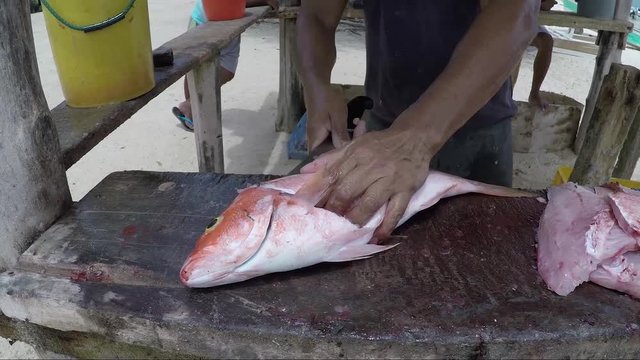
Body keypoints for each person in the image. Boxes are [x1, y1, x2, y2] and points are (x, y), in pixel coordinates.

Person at [294, 1, 539, 243]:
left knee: (479, 251)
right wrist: (316, 85)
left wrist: (415, 139)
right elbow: (317, 14)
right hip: (383, 122)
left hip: (477, 130)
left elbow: (517, 12)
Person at [172, 0, 278, 131]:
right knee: (197, 67)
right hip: (206, 17)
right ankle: (192, 108)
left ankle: (192, 106)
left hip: (229, 17)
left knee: (227, 69)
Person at [511, 0, 556, 110]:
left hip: (522, 20)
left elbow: (546, 5)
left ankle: (534, 93)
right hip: (503, 19)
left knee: (546, 41)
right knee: (511, 44)